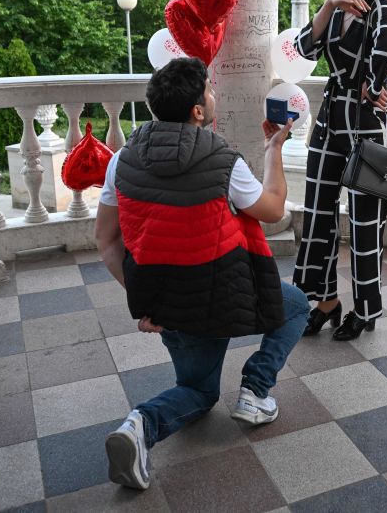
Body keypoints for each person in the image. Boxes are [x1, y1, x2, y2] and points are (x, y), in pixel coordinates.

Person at [94, 57, 310, 491]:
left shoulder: (122, 159)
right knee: (297, 306)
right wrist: (273, 152)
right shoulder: (222, 160)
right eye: (209, 92)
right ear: (197, 110)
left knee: (196, 391)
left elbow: (107, 241)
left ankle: (140, 425)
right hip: (227, 291)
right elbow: (271, 210)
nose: (213, 97)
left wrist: (144, 301)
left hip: (166, 302)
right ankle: (254, 390)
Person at [292, 0, 387, 341]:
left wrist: (372, 87)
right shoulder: (334, 10)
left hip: (366, 127)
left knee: (364, 223)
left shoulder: (381, 8)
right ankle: (325, 302)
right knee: (318, 215)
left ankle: (367, 309)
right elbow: (302, 48)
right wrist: (330, 5)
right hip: (328, 123)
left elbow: (386, 51)